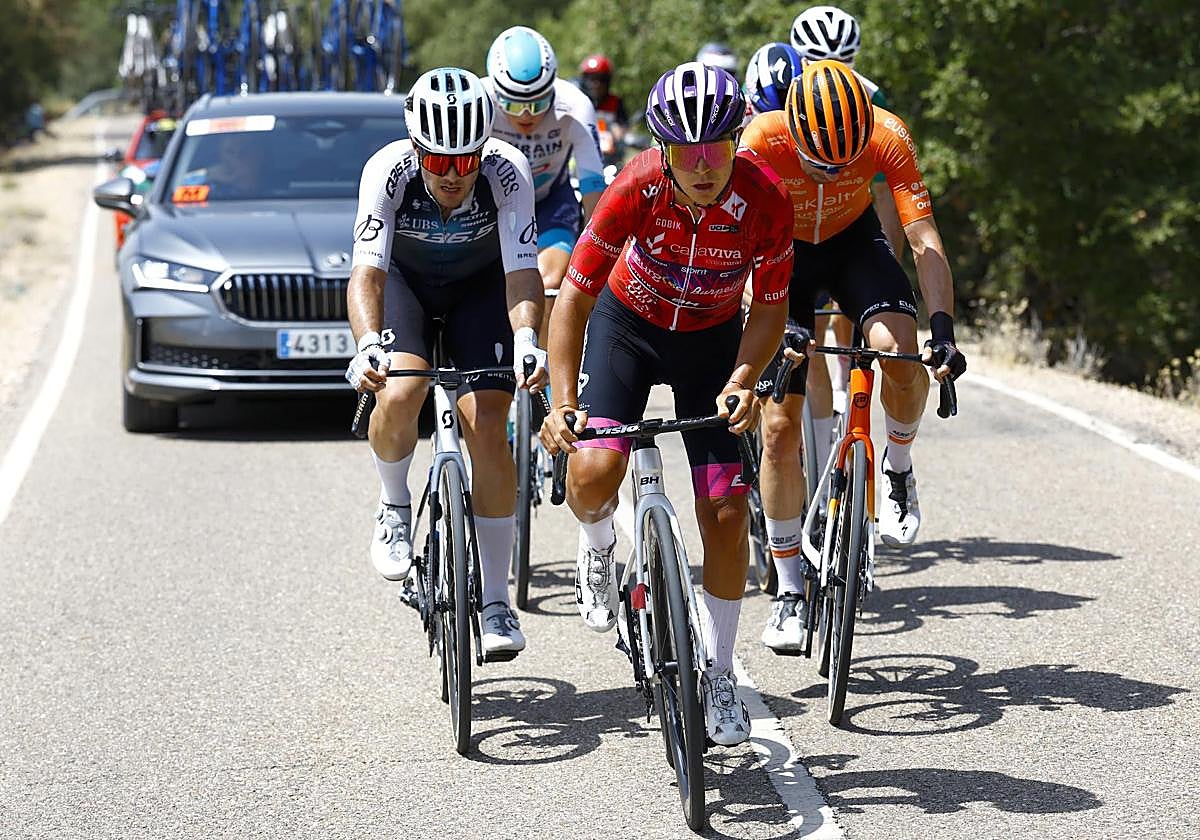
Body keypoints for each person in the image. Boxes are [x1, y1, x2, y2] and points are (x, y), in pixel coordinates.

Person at [540, 63, 794, 746]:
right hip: (628, 329)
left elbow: (771, 308)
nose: (705, 166)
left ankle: (717, 673)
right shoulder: (635, 187)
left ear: (737, 141)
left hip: (711, 342)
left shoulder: (767, 200)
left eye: (718, 148)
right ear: (664, 151)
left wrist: (744, 376)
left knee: (727, 509)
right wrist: (563, 400)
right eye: (688, 153)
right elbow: (575, 301)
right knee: (593, 476)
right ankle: (596, 545)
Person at [740, 60, 966, 652]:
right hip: (781, 253)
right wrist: (777, 325)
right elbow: (735, 240)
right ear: (795, 130)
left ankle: (897, 467)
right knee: (780, 430)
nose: (832, 172)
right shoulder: (762, 137)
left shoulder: (887, 133)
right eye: (820, 163)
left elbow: (923, 239)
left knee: (903, 353)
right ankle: (789, 588)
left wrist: (943, 330)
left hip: (851, 244)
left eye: (845, 164)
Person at [344, 67, 547, 659]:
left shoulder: (507, 172)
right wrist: (367, 346)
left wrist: (528, 338)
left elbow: (521, 272)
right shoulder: (387, 170)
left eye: (467, 160)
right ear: (416, 148)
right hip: (406, 286)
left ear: (485, 149)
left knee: (489, 427)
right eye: (440, 160)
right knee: (400, 392)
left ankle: (494, 600)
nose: (455, 174)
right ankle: (393, 504)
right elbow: (368, 274)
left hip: (481, 290)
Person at [791, 4, 904, 413]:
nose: (832, 72)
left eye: (843, 63)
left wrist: (889, 263)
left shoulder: (873, 100)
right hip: (797, 228)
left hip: (850, 221)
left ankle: (844, 387)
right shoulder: (784, 96)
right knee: (810, 332)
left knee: (852, 305)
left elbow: (887, 196)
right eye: (819, 62)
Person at [484, 25, 606, 337]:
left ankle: (545, 373)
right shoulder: (480, 101)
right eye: (512, 105)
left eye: (537, 104)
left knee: (549, 282)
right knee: (490, 281)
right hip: (492, 203)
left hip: (550, 199)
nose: (526, 115)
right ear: (496, 93)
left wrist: (603, 251)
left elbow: (593, 187)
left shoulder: (575, 105)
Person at [577, 54, 628, 165]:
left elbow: (622, 127)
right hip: (580, 158)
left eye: (602, 80)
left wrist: (616, 134)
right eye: (592, 79)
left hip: (610, 161)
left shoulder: (615, 102)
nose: (597, 84)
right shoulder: (578, 101)